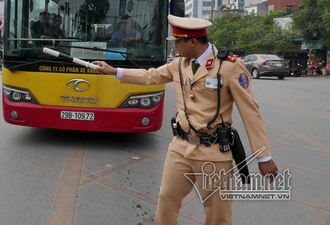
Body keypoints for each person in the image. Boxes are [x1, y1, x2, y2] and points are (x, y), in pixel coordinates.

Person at [92, 15, 278, 225]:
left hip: (214, 154)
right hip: (180, 149)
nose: (175, 46)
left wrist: (264, 157)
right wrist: (113, 71)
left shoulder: (229, 67)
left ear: (192, 41)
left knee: (218, 215)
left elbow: (251, 113)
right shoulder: (179, 64)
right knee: (166, 201)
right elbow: (150, 76)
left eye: (178, 41)